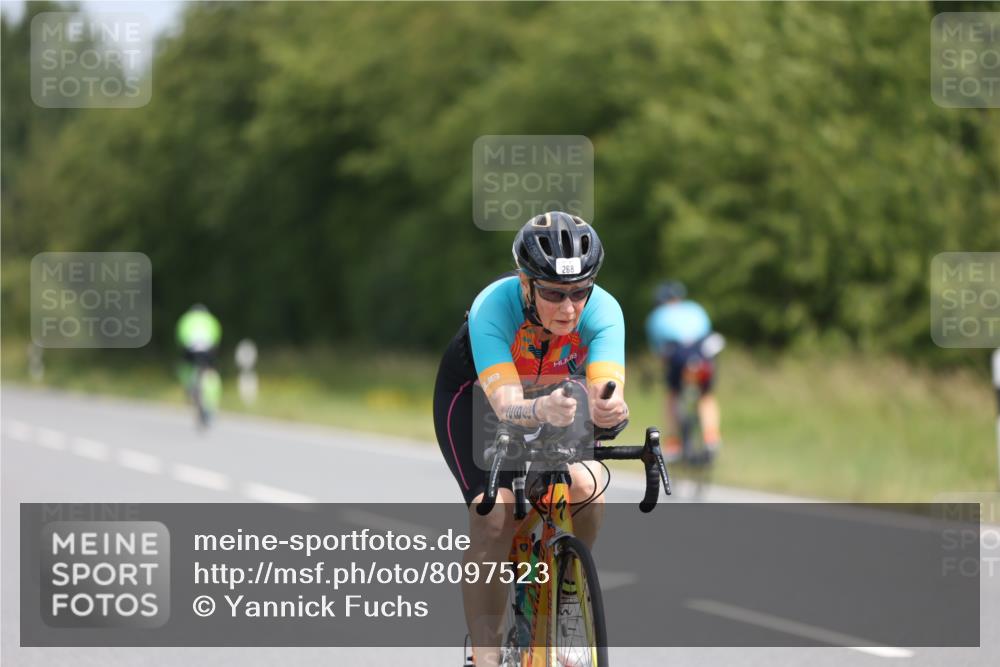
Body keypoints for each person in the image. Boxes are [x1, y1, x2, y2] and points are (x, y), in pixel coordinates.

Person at [433, 212, 629, 667]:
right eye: (554, 294)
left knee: (587, 483)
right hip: (477, 397)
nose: (568, 308)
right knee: (495, 512)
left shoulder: (605, 311)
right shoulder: (493, 307)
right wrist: (539, 410)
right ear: (526, 283)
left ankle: (566, 582)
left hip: (555, 392)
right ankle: (485, 654)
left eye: (580, 292)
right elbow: (505, 406)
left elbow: (606, 384)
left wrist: (609, 406)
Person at [645, 281, 722, 461]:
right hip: (703, 355)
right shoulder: (695, 308)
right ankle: (712, 438)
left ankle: (673, 443)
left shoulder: (656, 316)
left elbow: (660, 354)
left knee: (672, 395)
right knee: (706, 396)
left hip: (678, 357)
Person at [175, 303, 222, 395]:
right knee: (211, 370)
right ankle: (211, 394)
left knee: (184, 366)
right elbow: (217, 334)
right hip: (208, 349)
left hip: (190, 348)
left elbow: (180, 334)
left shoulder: (187, 318)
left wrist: (182, 346)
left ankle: (188, 386)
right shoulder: (210, 319)